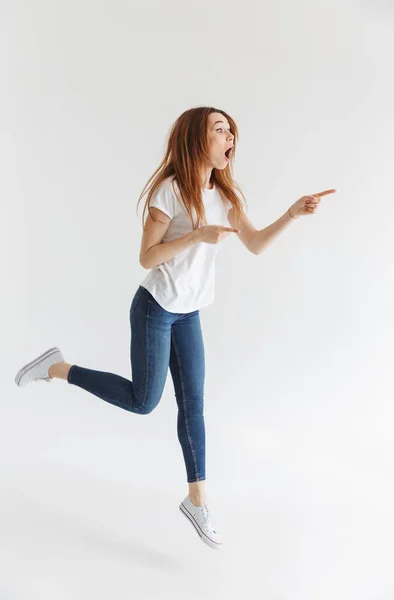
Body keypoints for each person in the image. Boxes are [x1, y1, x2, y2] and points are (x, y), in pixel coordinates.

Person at [14, 106, 336, 550]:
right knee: (144, 401)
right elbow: (146, 257)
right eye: (219, 129)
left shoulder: (225, 196)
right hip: (155, 308)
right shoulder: (170, 192)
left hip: (190, 312)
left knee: (194, 406)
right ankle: (57, 367)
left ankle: (197, 500)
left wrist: (292, 214)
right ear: (195, 140)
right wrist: (195, 237)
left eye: (230, 131)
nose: (229, 137)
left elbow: (257, 245)